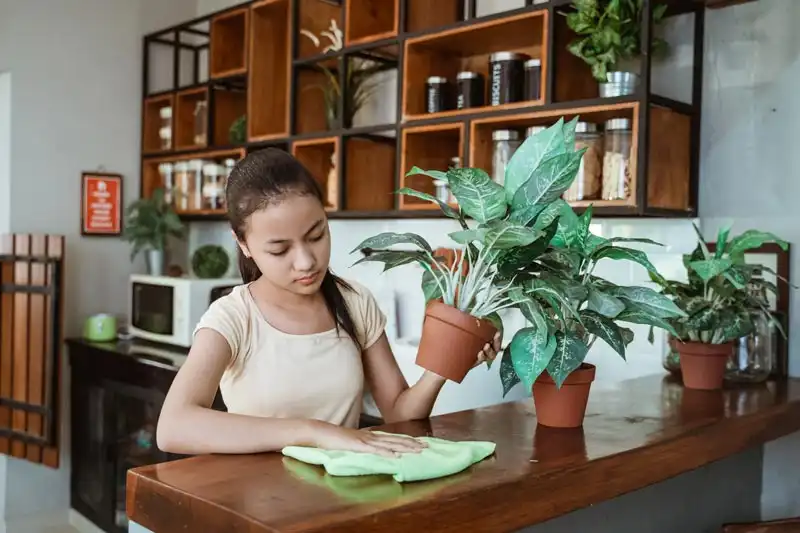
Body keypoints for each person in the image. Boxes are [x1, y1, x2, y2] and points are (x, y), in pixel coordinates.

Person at [156, 148, 502, 458]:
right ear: (243, 244)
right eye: (280, 250)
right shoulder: (233, 317)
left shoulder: (354, 302)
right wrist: (312, 432)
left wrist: (443, 366)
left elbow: (399, 414)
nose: (306, 261)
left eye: (317, 235)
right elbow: (173, 428)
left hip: (338, 502)